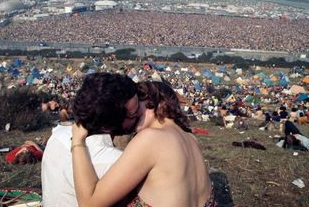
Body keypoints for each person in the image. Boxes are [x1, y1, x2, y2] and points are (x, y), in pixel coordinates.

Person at [71, 81, 217, 207]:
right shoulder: (190, 137)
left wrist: (78, 141)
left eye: (135, 105)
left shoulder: (151, 139)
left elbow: (89, 203)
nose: (129, 114)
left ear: (152, 102)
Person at [42, 73, 139, 207]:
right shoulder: (116, 163)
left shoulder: (57, 135)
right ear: (109, 123)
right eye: (134, 113)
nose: (140, 115)